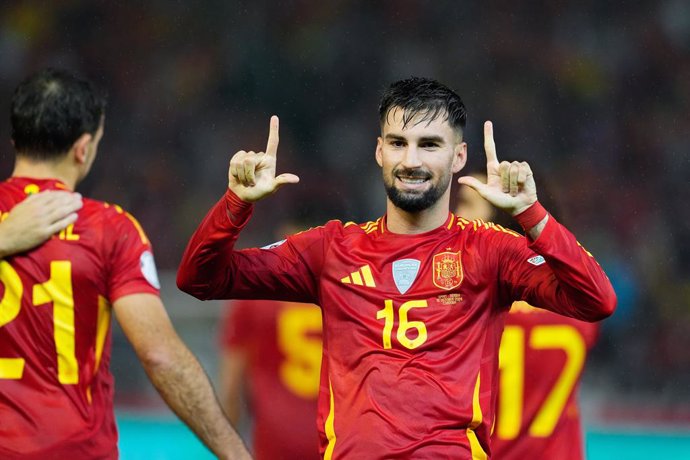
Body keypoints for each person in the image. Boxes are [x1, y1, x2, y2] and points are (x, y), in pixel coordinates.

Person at [177, 77, 616, 459]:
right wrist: (235, 205)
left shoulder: (491, 250)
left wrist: (532, 215)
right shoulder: (330, 248)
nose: (411, 161)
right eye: (398, 143)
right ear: (379, 152)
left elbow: (596, 300)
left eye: (429, 145)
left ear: (459, 156)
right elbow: (199, 278)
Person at [0, 68, 250, 460]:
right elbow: (160, 355)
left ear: (16, 140)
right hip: (73, 448)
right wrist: (235, 453)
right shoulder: (109, 229)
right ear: (83, 148)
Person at [456, 174, 600, 459]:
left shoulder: (471, 311)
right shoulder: (577, 311)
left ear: (498, 217)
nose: (456, 215)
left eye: (466, 204)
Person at [219, 220, 322, 460]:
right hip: (338, 443)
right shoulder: (347, 294)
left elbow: (231, 385)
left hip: (275, 446)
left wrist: (227, 449)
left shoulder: (254, 297)